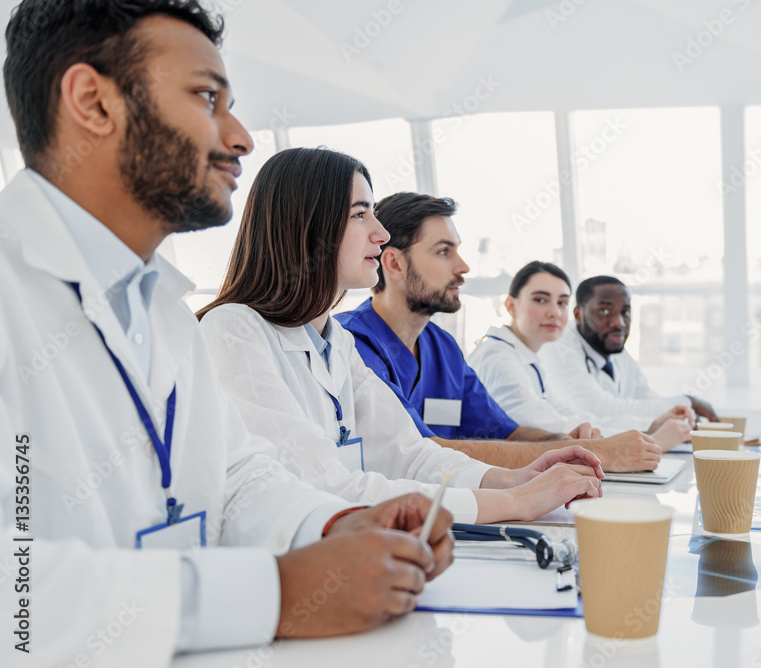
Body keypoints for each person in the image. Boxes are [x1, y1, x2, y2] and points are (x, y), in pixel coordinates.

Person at [0, 3, 451, 665]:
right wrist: (276, 593)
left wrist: (335, 525)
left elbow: (235, 476)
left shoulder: (162, 308)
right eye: (207, 97)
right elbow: (16, 596)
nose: (239, 137)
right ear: (92, 102)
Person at [197, 148, 603, 525]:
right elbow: (317, 485)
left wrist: (514, 479)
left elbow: (409, 455)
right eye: (360, 214)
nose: (380, 233)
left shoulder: (335, 341)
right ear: (307, 226)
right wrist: (515, 503)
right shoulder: (233, 330)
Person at [335, 193, 661, 472]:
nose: (463, 267)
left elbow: (505, 433)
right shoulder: (353, 345)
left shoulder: (442, 347)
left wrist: (565, 442)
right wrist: (596, 454)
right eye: (444, 251)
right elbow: (422, 450)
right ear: (394, 265)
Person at [467, 261, 694, 450]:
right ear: (510, 306)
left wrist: (650, 426)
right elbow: (547, 429)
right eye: (540, 299)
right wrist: (653, 441)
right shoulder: (498, 358)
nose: (554, 312)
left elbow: (575, 418)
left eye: (562, 302)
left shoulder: (528, 358)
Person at [539, 275, 719, 428]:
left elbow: (647, 399)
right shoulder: (559, 346)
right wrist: (687, 402)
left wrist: (678, 415)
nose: (619, 323)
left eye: (625, 312)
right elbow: (597, 408)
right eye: (604, 310)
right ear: (578, 315)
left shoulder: (616, 350)